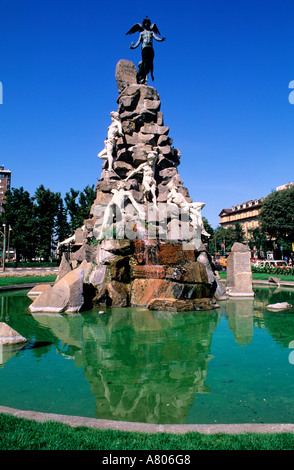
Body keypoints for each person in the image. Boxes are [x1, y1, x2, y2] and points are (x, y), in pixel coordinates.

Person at [127, 17, 166, 82]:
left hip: (150, 48)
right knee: (145, 61)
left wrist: (161, 39)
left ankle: (151, 74)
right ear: (144, 24)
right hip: (144, 48)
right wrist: (133, 47)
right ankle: (145, 76)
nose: (147, 24)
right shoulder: (142, 33)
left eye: (148, 23)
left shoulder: (151, 32)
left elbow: (156, 38)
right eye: (145, 23)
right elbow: (138, 42)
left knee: (151, 62)